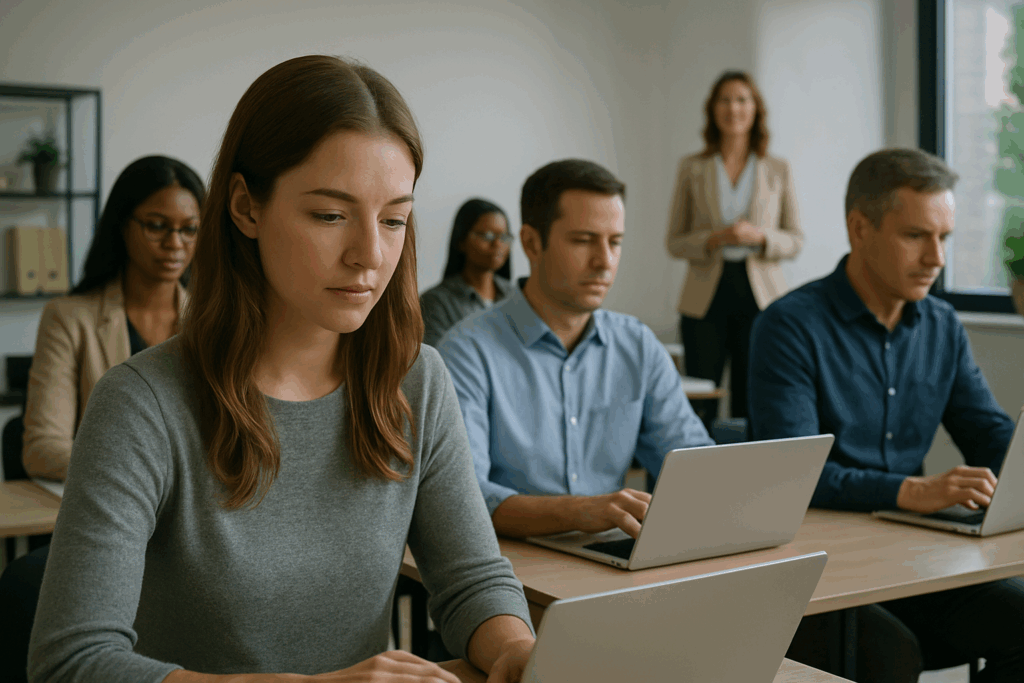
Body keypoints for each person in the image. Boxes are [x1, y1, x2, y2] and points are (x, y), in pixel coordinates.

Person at [28, 55, 534, 683]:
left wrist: (516, 652)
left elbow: (471, 580)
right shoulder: (143, 403)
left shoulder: (417, 381)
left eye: (395, 219)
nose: (369, 255)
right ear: (245, 207)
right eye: (329, 215)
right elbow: (69, 662)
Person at [748, 148, 1024, 682]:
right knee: (890, 655)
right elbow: (793, 479)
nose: (936, 257)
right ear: (859, 228)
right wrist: (911, 491)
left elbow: (986, 431)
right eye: (916, 236)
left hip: (911, 561)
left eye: (943, 237)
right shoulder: (788, 327)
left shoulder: (941, 325)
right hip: (816, 575)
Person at [438, 159, 713, 541]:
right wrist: (582, 511)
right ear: (533, 243)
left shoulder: (637, 345)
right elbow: (462, 500)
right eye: (583, 241)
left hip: (613, 560)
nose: (605, 261)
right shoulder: (467, 351)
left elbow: (695, 465)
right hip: (515, 569)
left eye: (615, 242)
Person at [22, 155, 203, 481]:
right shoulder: (69, 318)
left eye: (189, 229)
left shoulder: (212, 319)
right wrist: (139, 476)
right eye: (157, 226)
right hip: (112, 501)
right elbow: (43, 448)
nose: (175, 244)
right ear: (122, 224)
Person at [665, 70, 802, 429]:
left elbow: (795, 238)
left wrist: (760, 237)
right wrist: (714, 238)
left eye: (742, 99)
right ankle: (695, 474)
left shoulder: (777, 168)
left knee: (753, 396)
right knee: (700, 399)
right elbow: (675, 241)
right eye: (724, 100)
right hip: (705, 297)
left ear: (755, 109)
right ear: (712, 109)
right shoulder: (692, 168)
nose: (733, 108)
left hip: (761, 298)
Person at [420, 198, 513, 346]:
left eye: (504, 237)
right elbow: (438, 362)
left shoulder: (516, 295)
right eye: (487, 236)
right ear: (461, 240)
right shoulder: (435, 303)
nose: (497, 244)